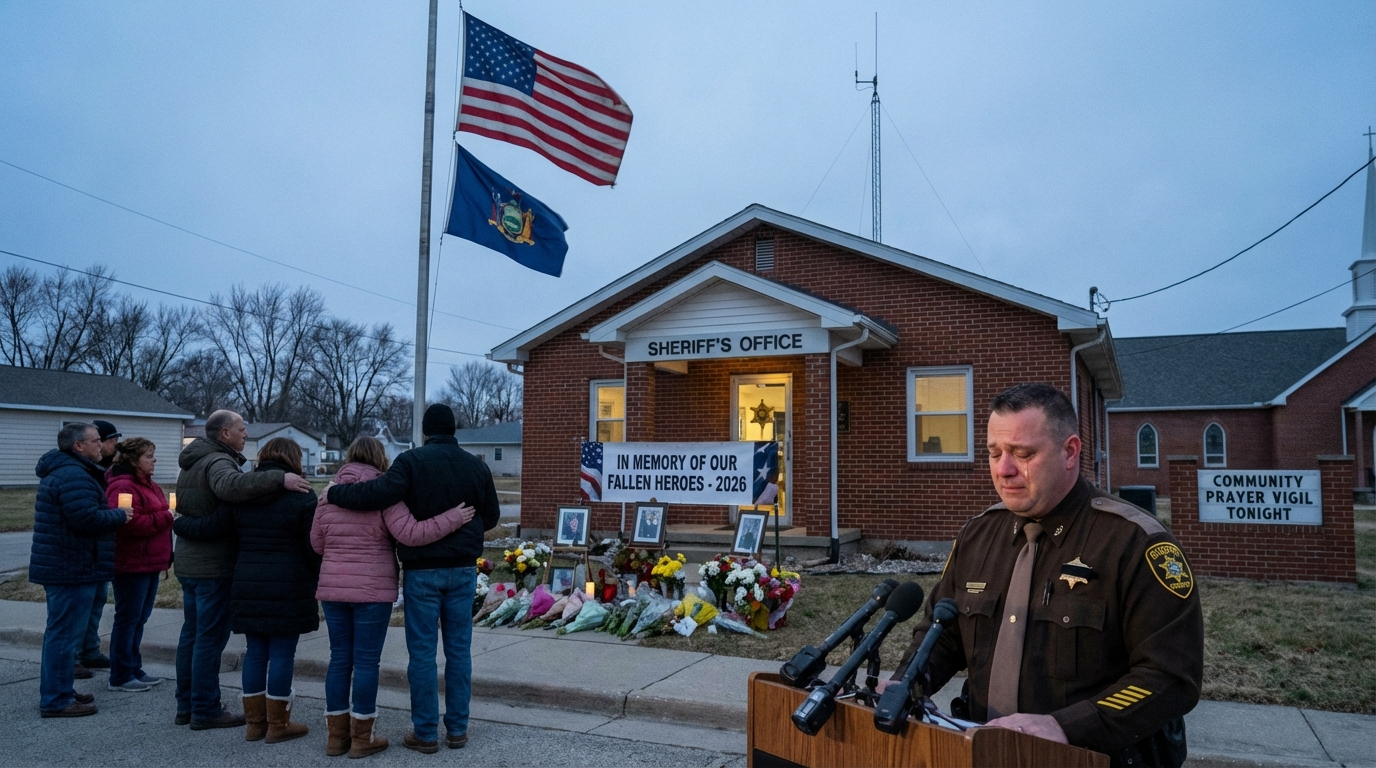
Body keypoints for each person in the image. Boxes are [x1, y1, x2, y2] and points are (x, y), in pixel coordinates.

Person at [890, 383, 1203, 767]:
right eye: (994, 453)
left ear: (1069, 451)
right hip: (983, 751)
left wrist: (1065, 727)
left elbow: (1171, 676)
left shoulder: (1134, 543)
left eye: (1023, 454)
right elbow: (942, 636)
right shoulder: (978, 535)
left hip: (1094, 756)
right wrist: (905, 684)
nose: (1004, 469)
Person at [326, 404, 500, 753]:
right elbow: (492, 516)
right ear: (455, 430)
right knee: (459, 651)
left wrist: (334, 492)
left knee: (422, 654)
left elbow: (375, 494)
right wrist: (466, 528)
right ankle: (457, 730)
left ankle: (425, 733)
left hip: (421, 572)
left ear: (425, 431)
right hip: (464, 570)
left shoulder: (410, 462)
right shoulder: (477, 466)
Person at [174, 437, 320, 744]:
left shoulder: (242, 496)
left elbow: (211, 527)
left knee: (255, 652)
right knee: (282, 653)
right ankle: (278, 724)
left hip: (246, 578)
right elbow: (312, 548)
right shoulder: (303, 498)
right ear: (294, 462)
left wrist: (179, 523)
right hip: (288, 582)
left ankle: (255, 723)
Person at [28, 422, 131, 717]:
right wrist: (119, 515)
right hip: (71, 567)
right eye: (96, 441)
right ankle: (57, 699)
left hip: (69, 564)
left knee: (61, 634)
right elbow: (85, 518)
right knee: (63, 635)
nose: (101, 446)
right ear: (78, 446)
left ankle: (61, 690)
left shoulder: (71, 471)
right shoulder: (74, 475)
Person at [104, 437, 173, 693]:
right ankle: (121, 674)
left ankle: (133, 667)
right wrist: (165, 517)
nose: (154, 461)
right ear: (134, 460)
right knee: (128, 619)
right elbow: (127, 523)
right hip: (131, 562)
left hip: (149, 562)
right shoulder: (123, 485)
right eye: (148, 456)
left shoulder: (148, 484)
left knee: (138, 619)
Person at [71, 419, 121, 678]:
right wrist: (119, 516)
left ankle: (89, 649)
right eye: (105, 440)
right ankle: (73, 657)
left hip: (99, 551)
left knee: (97, 601)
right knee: (78, 609)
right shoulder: (84, 473)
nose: (110, 445)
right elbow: (86, 516)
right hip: (82, 553)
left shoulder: (103, 470)